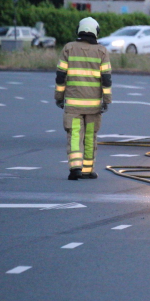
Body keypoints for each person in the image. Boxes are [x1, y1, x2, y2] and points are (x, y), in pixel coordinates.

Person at [55, 17, 112, 180]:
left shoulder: (68, 48)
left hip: (73, 105)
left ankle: (75, 168)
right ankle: (88, 170)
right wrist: (106, 100)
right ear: (96, 31)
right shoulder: (101, 51)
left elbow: (60, 76)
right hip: (93, 107)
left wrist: (59, 97)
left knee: (74, 136)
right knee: (89, 137)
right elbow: (106, 79)